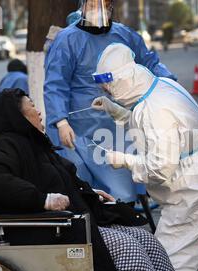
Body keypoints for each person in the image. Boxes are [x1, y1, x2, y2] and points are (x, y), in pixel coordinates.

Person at [0, 89, 186, 271]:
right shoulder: (5, 145)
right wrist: (43, 200)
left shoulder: (35, 143)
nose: (39, 112)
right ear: (17, 116)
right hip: (49, 231)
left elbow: (62, 180)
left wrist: (89, 194)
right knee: (129, 250)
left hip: (71, 225)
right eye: (31, 106)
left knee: (147, 240)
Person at [91, 43, 198, 271]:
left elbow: (159, 168)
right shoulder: (159, 88)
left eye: (109, 86)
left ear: (124, 80)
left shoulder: (157, 110)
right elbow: (139, 116)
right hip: (193, 190)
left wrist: (124, 161)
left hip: (192, 196)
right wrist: (113, 109)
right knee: (170, 264)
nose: (107, 90)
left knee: (169, 270)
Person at [44, 0, 177, 203]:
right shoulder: (67, 40)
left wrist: (169, 87)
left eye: (102, 4)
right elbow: (55, 84)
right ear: (82, 7)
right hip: (77, 130)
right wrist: (61, 122)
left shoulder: (124, 35)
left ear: (110, 7)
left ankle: (119, 228)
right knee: (83, 188)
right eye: (92, 5)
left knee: (122, 191)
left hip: (116, 127)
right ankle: (97, 230)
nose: (97, 9)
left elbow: (149, 63)